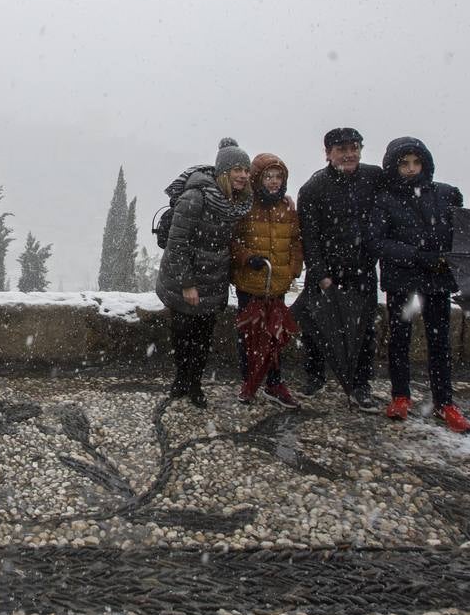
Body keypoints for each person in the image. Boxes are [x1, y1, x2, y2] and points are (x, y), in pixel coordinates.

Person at [370, 137, 470, 433]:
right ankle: (400, 396)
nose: (411, 169)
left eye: (416, 162)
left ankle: (445, 401)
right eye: (404, 164)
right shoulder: (385, 199)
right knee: (399, 340)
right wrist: (417, 256)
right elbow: (378, 241)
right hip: (401, 280)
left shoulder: (445, 194)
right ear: (394, 166)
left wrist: (442, 258)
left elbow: (460, 234)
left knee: (439, 343)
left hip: (437, 282)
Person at [156, 138, 254, 408]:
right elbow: (177, 244)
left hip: (214, 279)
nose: (243, 176)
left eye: (246, 170)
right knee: (183, 333)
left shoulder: (237, 202)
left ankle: (195, 383)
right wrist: (188, 283)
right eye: (237, 170)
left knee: (203, 337)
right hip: (183, 279)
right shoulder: (195, 197)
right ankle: (181, 380)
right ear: (224, 172)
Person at [296, 127, 384, 412]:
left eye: (354, 148)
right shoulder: (313, 188)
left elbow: (403, 197)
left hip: (362, 270)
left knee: (364, 330)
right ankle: (315, 375)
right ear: (328, 154)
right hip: (325, 272)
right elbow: (309, 236)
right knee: (317, 327)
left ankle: (360, 385)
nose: (349, 154)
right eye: (341, 149)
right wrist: (321, 274)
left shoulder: (374, 178)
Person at [229, 152, 303, 408]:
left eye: (278, 177)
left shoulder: (287, 208)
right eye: (268, 176)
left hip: (277, 284)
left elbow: (295, 240)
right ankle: (249, 381)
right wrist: (248, 257)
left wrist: (294, 267)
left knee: (274, 336)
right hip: (250, 283)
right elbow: (233, 240)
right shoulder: (245, 205)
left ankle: (274, 382)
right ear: (258, 178)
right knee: (249, 335)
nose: (273, 182)